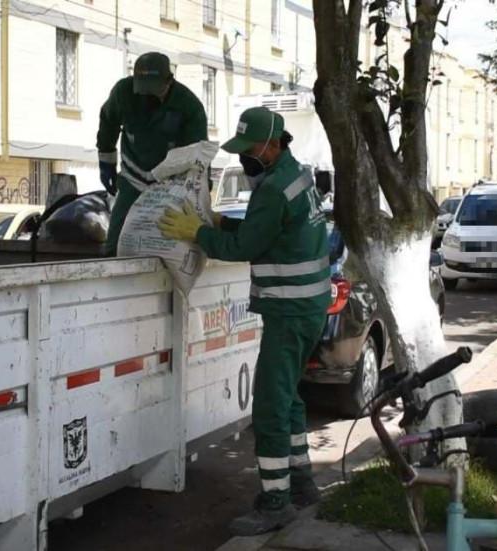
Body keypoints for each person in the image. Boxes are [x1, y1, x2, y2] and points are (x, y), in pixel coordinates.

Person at [157, 107, 330, 536]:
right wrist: (220, 221)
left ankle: (275, 501)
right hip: (308, 306)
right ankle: (302, 483)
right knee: (288, 397)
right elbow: (272, 230)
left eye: (249, 150)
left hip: (289, 311)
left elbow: (247, 246)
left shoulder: (271, 189)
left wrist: (197, 233)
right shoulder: (297, 175)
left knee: (270, 405)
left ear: (272, 145)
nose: (244, 158)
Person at [96, 52, 208, 256]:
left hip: (171, 184)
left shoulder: (188, 106)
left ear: (169, 81)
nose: (148, 96)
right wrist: (106, 162)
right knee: (117, 241)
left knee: (168, 240)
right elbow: (108, 122)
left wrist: (198, 195)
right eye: (143, 89)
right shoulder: (124, 93)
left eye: (154, 90)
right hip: (133, 177)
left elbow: (198, 156)